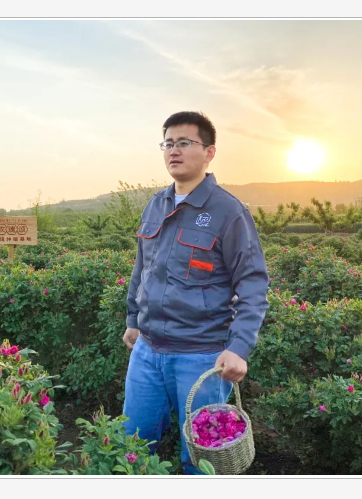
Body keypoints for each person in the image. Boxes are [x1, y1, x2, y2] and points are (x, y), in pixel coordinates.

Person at [121, 111, 269, 475]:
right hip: (147, 351)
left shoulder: (228, 211)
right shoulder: (156, 203)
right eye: (168, 143)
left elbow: (253, 283)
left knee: (202, 460)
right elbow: (143, 267)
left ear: (209, 152)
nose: (175, 150)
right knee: (131, 445)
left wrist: (238, 347)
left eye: (185, 143)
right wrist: (133, 319)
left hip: (200, 355)